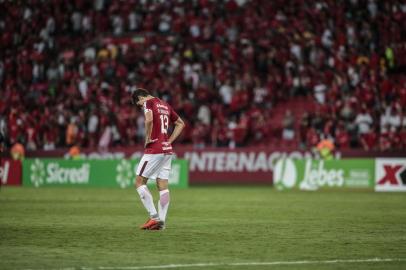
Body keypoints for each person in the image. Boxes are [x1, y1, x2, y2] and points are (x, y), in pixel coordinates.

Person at [131, 88, 185, 230]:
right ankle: (161, 223)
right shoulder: (165, 105)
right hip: (167, 150)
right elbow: (181, 123)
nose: (141, 106)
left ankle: (154, 218)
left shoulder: (148, 102)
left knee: (139, 182)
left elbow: (148, 119)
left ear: (141, 98)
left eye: (139, 104)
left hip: (154, 149)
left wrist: (147, 137)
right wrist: (169, 141)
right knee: (163, 186)